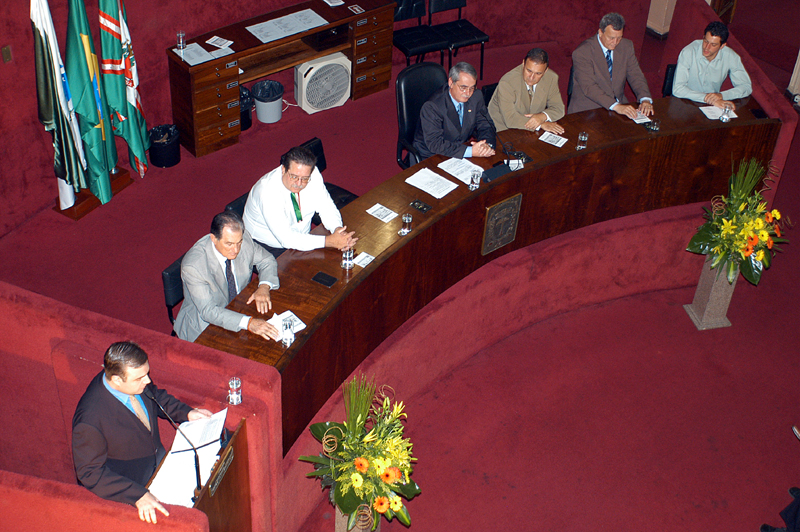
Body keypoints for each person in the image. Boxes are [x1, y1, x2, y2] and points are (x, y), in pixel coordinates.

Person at [72, 341, 213, 524]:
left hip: (163, 467)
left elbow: (155, 396)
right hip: (135, 486)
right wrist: (136, 495)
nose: (147, 381)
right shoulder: (90, 419)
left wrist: (186, 412)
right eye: (140, 378)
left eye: (147, 374)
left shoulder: (134, 377)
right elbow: (90, 473)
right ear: (116, 379)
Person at [174, 211, 280, 342]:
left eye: (238, 243)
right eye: (229, 244)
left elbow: (267, 260)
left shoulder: (242, 239)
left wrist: (264, 286)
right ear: (213, 239)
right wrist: (249, 323)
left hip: (238, 306)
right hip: (204, 327)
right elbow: (209, 311)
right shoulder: (194, 266)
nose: (236, 250)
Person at [242, 146, 357, 254]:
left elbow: (326, 206)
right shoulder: (267, 192)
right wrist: (329, 241)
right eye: (293, 177)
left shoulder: (313, 174)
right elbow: (287, 238)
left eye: (305, 179)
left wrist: (337, 230)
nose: (298, 183)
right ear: (283, 169)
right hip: (269, 245)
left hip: (301, 233)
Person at [568, 12, 654, 119]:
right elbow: (589, 87)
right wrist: (616, 106)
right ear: (600, 32)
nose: (615, 42)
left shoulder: (626, 46)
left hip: (618, 106)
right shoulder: (583, 52)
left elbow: (635, 74)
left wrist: (645, 98)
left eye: (619, 38)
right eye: (611, 38)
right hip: (589, 110)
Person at [412, 61, 497, 160]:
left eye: (472, 88)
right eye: (463, 88)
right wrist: (469, 151)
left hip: (458, 151)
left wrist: (485, 146)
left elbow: (486, 125)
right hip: (431, 155)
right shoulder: (432, 106)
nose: (468, 93)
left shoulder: (476, 97)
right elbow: (435, 144)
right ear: (451, 83)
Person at [672, 21, 752, 109]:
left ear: (722, 46)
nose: (707, 47)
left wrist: (721, 95)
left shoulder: (731, 56)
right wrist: (709, 99)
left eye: (713, 44)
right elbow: (677, 89)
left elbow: (746, 87)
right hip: (687, 102)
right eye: (706, 41)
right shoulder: (688, 52)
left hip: (712, 105)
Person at [488, 48, 565, 134]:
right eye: (529, 71)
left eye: (538, 73)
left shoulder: (551, 78)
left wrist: (542, 117)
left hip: (529, 132)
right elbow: (510, 119)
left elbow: (559, 108)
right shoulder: (507, 83)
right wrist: (540, 124)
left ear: (545, 71)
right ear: (523, 63)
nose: (531, 77)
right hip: (502, 131)